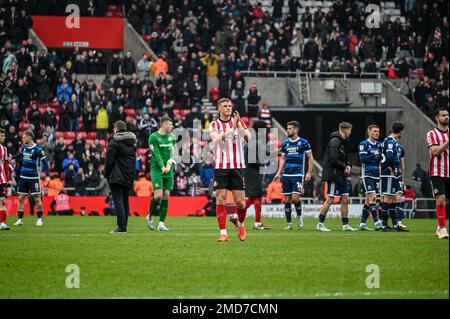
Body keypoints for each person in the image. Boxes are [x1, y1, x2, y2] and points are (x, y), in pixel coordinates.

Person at [209, 98, 251, 242]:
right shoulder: (214, 124)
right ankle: (223, 233)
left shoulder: (239, 122)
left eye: (229, 106)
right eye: (225, 106)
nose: (228, 108)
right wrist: (231, 128)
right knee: (220, 199)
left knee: (241, 203)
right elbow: (215, 139)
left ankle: (240, 224)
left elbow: (248, 138)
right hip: (221, 166)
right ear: (219, 108)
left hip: (238, 166)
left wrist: (238, 126)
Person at [274, 121, 314, 230]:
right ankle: (289, 223)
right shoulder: (285, 143)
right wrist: (278, 173)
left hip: (298, 173)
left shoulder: (304, 142)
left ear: (295, 130)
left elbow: (310, 157)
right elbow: (283, 159)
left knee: (295, 198)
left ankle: (299, 216)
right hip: (286, 174)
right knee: (287, 199)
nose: (287, 130)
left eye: (290, 128)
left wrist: (309, 172)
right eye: (287, 128)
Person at [316, 122, 357, 232]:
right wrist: (345, 166)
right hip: (334, 175)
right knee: (330, 199)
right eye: (349, 130)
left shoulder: (343, 142)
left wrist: (348, 165)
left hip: (341, 175)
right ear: (344, 130)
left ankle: (345, 225)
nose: (350, 132)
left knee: (345, 199)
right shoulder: (335, 142)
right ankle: (320, 223)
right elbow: (334, 159)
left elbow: (344, 158)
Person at [105, 121, 137, 233]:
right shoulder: (132, 143)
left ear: (115, 129)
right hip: (128, 175)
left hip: (116, 175)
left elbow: (109, 160)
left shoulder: (114, 142)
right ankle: (124, 225)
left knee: (118, 200)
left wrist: (106, 174)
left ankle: (121, 227)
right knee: (125, 201)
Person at [13, 130, 49, 226]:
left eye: (24, 137)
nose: (23, 139)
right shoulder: (24, 147)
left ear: (30, 138)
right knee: (21, 198)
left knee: (37, 198)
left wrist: (48, 176)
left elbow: (45, 163)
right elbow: (19, 155)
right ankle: (20, 220)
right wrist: (12, 157)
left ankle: (39, 219)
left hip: (33, 178)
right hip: (23, 177)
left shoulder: (38, 149)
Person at [146, 117, 177, 232]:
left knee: (166, 195)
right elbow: (156, 154)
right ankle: (150, 216)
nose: (172, 126)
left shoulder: (172, 137)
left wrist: (169, 164)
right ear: (163, 125)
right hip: (157, 169)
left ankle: (161, 223)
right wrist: (162, 167)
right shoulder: (153, 137)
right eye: (170, 124)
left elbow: (174, 152)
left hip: (168, 170)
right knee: (158, 195)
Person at [426, 107, 449, 239]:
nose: (446, 117)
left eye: (447, 115)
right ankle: (442, 228)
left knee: (447, 203)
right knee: (440, 200)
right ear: (437, 118)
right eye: (443, 115)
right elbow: (435, 152)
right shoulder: (432, 134)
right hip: (437, 171)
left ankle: (439, 226)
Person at [380, 122, 407, 232]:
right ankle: (384, 225)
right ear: (401, 131)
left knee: (391, 199)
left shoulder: (390, 141)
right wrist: (393, 167)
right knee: (387, 199)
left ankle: (395, 225)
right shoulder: (390, 141)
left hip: (392, 173)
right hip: (389, 172)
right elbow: (390, 156)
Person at [245, 120, 271, 230]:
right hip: (253, 172)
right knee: (258, 196)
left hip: (252, 171)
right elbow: (251, 160)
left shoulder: (256, 139)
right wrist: (264, 162)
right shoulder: (255, 140)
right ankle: (257, 223)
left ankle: (236, 215)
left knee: (252, 197)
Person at [358, 125, 383, 231]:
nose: (377, 133)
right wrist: (375, 155)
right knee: (373, 197)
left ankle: (362, 223)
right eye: (374, 131)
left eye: (378, 131)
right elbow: (363, 159)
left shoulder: (380, 145)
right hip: (367, 174)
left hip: (377, 175)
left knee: (368, 200)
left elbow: (382, 158)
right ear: (369, 133)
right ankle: (376, 221)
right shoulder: (364, 144)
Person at [394, 143, 408, 230]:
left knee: (399, 197)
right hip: (388, 176)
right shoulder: (385, 145)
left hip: (398, 177)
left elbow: (402, 164)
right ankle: (382, 221)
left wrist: (403, 179)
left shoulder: (400, 148)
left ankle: (399, 222)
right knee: (385, 198)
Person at [0, 128, 11, 230]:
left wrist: (8, 179)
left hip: (2, 179)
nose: (4, 137)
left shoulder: (4, 149)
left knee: (2, 200)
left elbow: (6, 165)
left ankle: (3, 223)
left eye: (4, 136)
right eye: (2, 135)